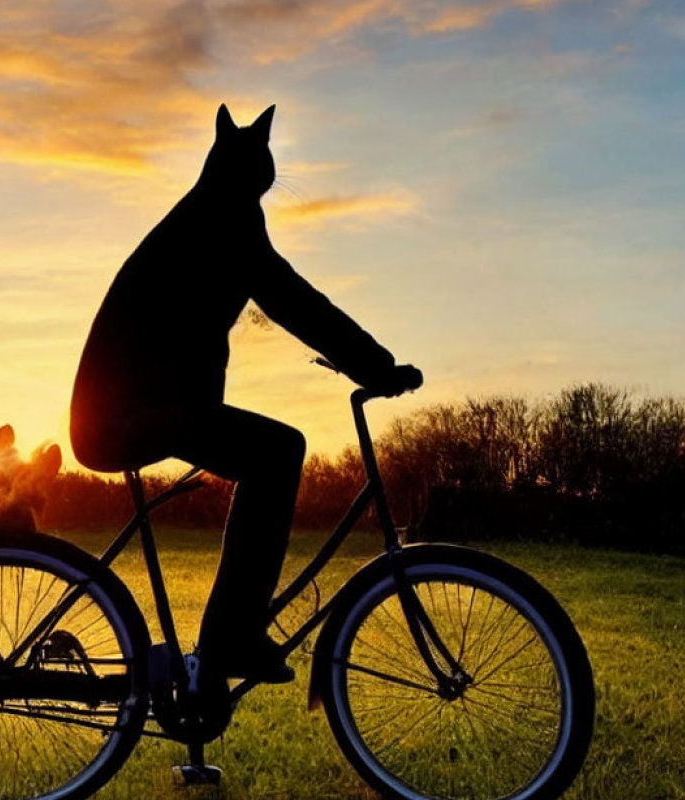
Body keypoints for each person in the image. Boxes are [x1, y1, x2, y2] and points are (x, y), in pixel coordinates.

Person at [70, 104, 421, 683]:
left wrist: (371, 364)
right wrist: (375, 366)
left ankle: (222, 645)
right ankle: (230, 639)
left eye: (268, 159)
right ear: (233, 163)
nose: (266, 173)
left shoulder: (209, 215)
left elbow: (284, 298)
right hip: (125, 416)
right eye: (258, 160)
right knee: (277, 453)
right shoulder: (223, 218)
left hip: (139, 409)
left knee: (270, 452)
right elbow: (292, 300)